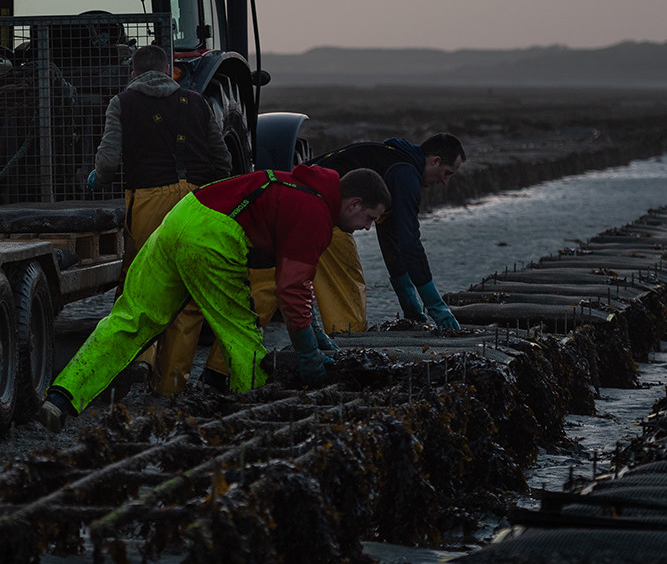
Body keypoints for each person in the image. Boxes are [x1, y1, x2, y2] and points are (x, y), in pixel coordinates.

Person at [41, 165, 391, 429]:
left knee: (132, 318)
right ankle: (254, 420)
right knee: (242, 336)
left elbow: (299, 285)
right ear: (354, 203)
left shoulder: (296, 187)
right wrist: (309, 356)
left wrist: (317, 334)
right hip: (213, 237)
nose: (366, 227)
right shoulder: (315, 212)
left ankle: (61, 397)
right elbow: (291, 290)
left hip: (180, 217)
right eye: (369, 218)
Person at [87, 44, 232, 396]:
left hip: (148, 201)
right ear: (168, 71)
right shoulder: (197, 102)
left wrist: (98, 177)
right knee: (187, 296)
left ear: (133, 73)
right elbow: (223, 159)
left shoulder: (122, 102)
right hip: (195, 203)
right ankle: (170, 387)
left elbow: (108, 161)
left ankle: (140, 358)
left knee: (141, 285)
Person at [309, 134, 465, 331]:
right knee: (346, 289)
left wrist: (408, 299)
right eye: (447, 173)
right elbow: (409, 243)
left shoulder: (391, 162)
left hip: (304, 204)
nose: (445, 181)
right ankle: (346, 339)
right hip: (317, 211)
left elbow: (391, 237)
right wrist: (436, 305)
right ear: (435, 161)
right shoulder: (405, 175)